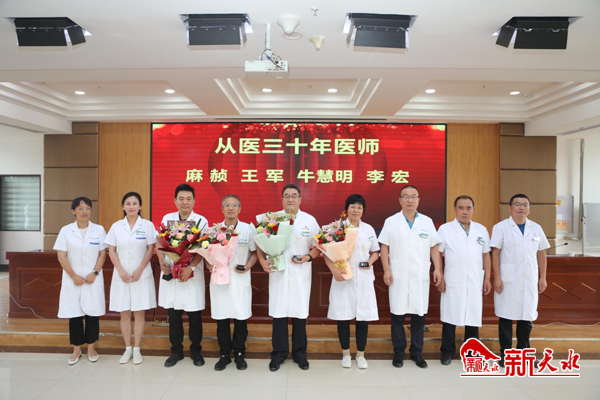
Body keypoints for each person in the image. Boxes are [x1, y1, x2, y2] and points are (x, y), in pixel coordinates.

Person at [257, 184, 320, 372]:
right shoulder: (272, 219)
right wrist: (262, 261)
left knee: (300, 314)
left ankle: (300, 354)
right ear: (282, 199)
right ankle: (278, 354)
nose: (290, 199)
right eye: (287, 196)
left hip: (301, 274)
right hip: (279, 273)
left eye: (294, 196)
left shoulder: (309, 220)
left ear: (300, 199)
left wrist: (308, 257)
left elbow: (319, 246)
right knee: (279, 314)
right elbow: (260, 243)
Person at [378, 185, 443, 369]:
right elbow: (384, 247)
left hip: (419, 275)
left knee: (418, 316)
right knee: (397, 316)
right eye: (406, 196)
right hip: (397, 274)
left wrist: (437, 269)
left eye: (413, 196)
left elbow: (434, 247)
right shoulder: (391, 221)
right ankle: (399, 353)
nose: (410, 200)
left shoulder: (427, 222)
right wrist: (386, 270)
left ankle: (417, 353)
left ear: (418, 200)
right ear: (400, 200)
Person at [491, 193, 550, 367]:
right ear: (510, 208)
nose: (521, 207)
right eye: (517, 204)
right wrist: (497, 277)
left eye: (525, 205)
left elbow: (541, 253)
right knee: (506, 317)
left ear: (529, 209)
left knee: (526, 317)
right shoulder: (501, 228)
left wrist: (543, 277)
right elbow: (495, 253)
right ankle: (506, 353)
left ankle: (524, 353)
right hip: (507, 280)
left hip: (529, 279)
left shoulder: (536, 228)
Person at [325, 194, 380, 369]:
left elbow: (375, 252)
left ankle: (361, 355)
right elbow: (325, 252)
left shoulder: (368, 229)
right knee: (343, 317)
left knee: (362, 318)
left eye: (359, 207)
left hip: (363, 278)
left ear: (363, 210)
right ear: (346, 209)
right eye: (353, 206)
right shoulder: (337, 228)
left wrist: (370, 262)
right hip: (343, 277)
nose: (356, 210)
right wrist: (334, 270)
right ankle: (346, 353)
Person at [437, 195, 491, 365]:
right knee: (450, 315)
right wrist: (440, 276)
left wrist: (487, 278)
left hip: (474, 279)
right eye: (461, 208)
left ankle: (472, 352)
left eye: (468, 208)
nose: (465, 212)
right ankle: (447, 352)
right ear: (455, 210)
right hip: (453, 279)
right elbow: (437, 254)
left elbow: (486, 255)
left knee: (472, 316)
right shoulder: (445, 229)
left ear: (473, 210)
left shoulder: (481, 230)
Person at [158, 183, 208, 368]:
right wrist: (162, 263)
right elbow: (159, 243)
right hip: (172, 272)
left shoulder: (201, 221)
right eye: (181, 199)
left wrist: (191, 267)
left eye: (188, 199)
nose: (185, 202)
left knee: (195, 317)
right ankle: (176, 351)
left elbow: (203, 248)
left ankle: (196, 351)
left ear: (194, 201)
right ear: (175, 200)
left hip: (191, 275)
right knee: (174, 316)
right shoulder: (167, 218)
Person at [105, 192, 157, 365]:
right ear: (123, 206)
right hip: (121, 275)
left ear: (140, 206)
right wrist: (120, 270)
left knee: (139, 313)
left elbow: (150, 249)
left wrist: (140, 269)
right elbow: (111, 250)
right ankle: (127, 348)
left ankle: (137, 349)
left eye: (135, 203)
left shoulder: (147, 225)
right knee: (124, 313)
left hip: (141, 275)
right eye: (128, 203)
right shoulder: (116, 226)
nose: (131, 206)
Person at [54, 197, 107, 365]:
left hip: (92, 279)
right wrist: (73, 275)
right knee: (74, 315)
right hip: (73, 279)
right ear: (73, 211)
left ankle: (91, 348)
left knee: (93, 314)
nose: (85, 212)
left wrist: (95, 272)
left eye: (88, 208)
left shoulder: (99, 230)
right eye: (80, 208)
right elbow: (61, 256)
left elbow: (103, 254)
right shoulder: (66, 231)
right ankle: (76, 349)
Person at [208, 194, 257, 371]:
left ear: (239, 209)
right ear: (222, 209)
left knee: (240, 318)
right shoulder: (215, 230)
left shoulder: (247, 230)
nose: (230, 208)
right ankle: (224, 354)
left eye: (234, 205)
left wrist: (248, 266)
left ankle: (239, 353)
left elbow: (254, 253)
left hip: (239, 279)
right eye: (227, 205)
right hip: (219, 280)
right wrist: (209, 264)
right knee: (221, 318)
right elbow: (207, 254)